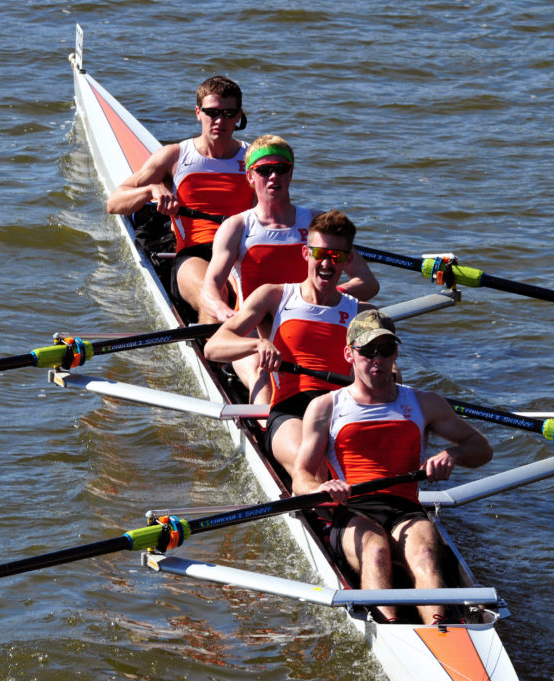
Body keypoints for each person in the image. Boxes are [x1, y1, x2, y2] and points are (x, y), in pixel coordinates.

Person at [292, 309, 494, 625]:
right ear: (349, 353)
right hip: (355, 508)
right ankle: (390, 629)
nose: (377, 359)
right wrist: (323, 488)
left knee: (426, 556)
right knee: (376, 553)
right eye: (368, 350)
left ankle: (440, 630)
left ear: (395, 354)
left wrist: (451, 456)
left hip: (406, 509)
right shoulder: (326, 407)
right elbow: (300, 478)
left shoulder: (424, 402)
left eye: (385, 350)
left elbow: (481, 449)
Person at [201, 135, 379, 402]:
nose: (273, 176)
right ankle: (263, 417)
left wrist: (315, 297)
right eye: (264, 170)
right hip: (254, 326)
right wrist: (222, 311)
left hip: (307, 323)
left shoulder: (319, 225)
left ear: (291, 173)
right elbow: (211, 286)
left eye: (281, 169)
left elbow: (368, 282)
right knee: (264, 376)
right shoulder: (237, 227)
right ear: (250, 176)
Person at [204, 209, 371, 472]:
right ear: (306, 254)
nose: (326, 263)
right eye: (319, 254)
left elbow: (386, 368)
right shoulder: (275, 296)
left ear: (347, 260)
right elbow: (213, 347)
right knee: (315, 467)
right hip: (290, 410)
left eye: (335, 256)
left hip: (340, 411)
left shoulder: (361, 313)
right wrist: (257, 344)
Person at [106, 75, 255, 322]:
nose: (220, 120)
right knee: (216, 294)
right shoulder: (175, 156)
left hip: (243, 250)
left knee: (257, 301)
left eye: (228, 114)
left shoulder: (253, 159)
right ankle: (216, 356)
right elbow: (114, 202)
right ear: (198, 113)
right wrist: (151, 191)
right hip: (195, 254)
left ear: (239, 116)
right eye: (212, 113)